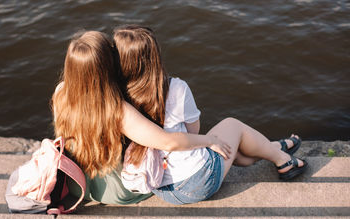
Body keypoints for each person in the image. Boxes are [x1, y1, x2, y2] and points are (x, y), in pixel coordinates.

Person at [112, 25, 308, 205]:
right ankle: (284, 161)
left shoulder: (116, 97)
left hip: (159, 185)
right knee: (233, 125)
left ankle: (274, 147)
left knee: (236, 153)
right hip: (197, 181)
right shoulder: (175, 88)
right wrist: (209, 140)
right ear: (154, 56)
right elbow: (193, 130)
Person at [51, 30, 232, 205]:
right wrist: (208, 140)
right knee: (229, 135)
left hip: (77, 185)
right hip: (116, 192)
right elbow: (168, 142)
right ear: (106, 67)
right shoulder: (117, 109)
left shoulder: (60, 93)